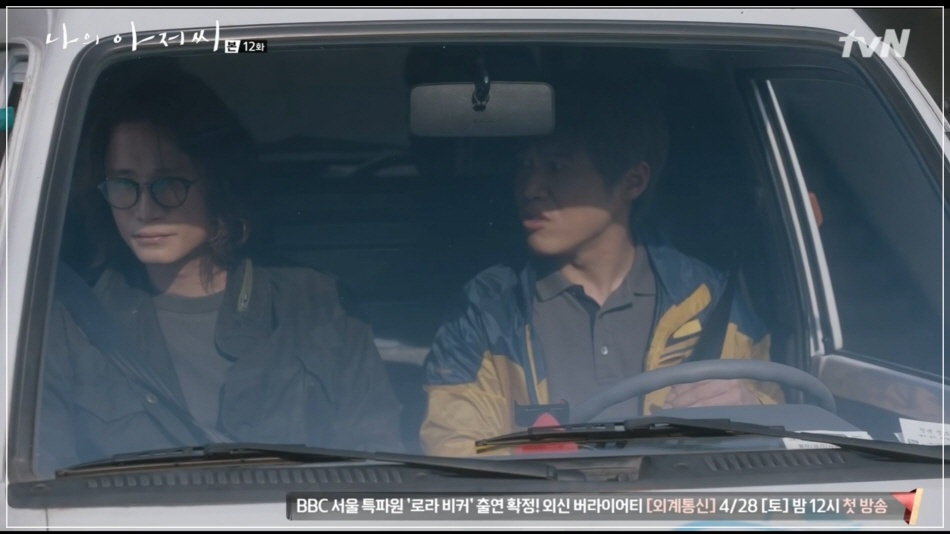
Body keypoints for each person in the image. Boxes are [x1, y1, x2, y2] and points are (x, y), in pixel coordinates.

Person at [37, 64, 403, 475]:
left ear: (218, 182)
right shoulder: (74, 320)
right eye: (124, 184)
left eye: (168, 183)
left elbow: (374, 463)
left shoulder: (315, 303)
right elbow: (44, 475)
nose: (144, 209)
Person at [420, 81, 784, 457]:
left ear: (633, 181)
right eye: (525, 165)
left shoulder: (711, 301)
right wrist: (528, 463)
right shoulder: (489, 308)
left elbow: (780, 432)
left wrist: (749, 408)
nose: (530, 188)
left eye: (557, 167)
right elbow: (454, 449)